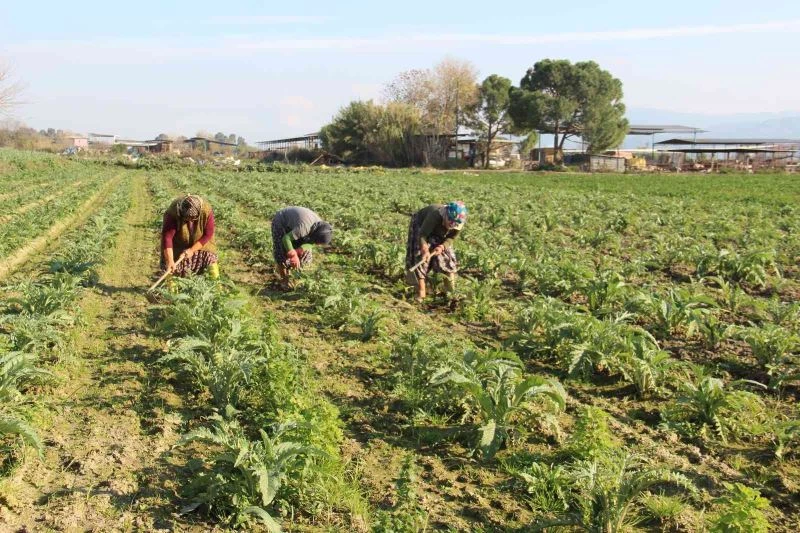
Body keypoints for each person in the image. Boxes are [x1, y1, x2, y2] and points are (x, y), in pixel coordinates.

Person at [405, 201, 467, 301]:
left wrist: (442, 246)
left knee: (447, 258)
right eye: (450, 222)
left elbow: (451, 238)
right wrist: (425, 249)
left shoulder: (459, 221)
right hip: (421, 226)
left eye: (454, 224)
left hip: (440, 232)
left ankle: (451, 293)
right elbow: (423, 235)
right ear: (446, 214)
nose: (452, 225)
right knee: (420, 256)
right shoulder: (435, 215)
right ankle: (421, 292)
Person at [271, 206, 333, 287]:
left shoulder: (321, 228)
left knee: (306, 256)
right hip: (282, 222)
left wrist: (299, 250)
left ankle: (297, 279)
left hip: (298, 226)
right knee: (281, 252)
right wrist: (293, 254)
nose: (317, 245)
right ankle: (284, 281)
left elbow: (311, 242)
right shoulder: (304, 228)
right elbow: (286, 239)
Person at [161, 194, 219, 279]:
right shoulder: (173, 212)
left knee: (211, 261)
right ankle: (172, 290)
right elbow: (167, 237)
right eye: (187, 219)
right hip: (178, 242)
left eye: (193, 219)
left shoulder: (206, 210)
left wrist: (192, 250)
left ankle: (217, 288)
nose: (190, 221)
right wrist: (170, 261)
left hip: (201, 241)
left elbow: (208, 234)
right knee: (171, 267)